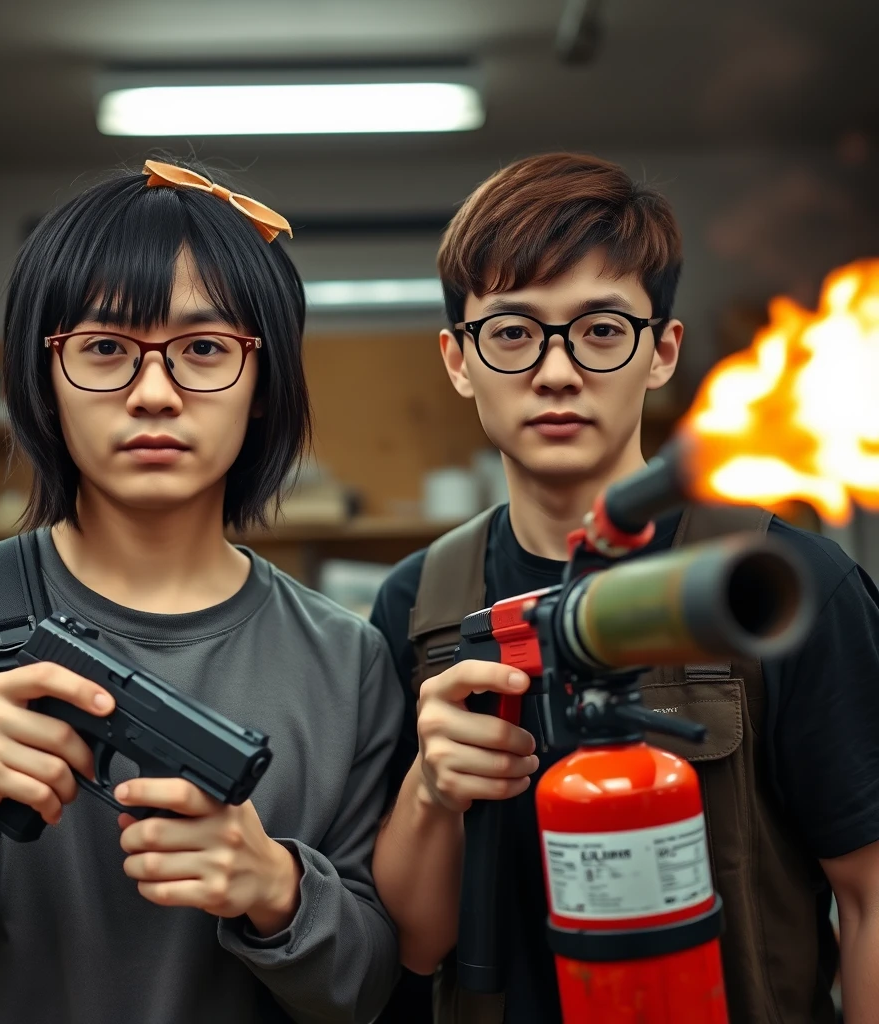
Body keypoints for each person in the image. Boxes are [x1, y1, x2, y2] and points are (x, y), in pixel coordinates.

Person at [0, 159, 403, 1023]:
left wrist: (279, 892)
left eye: (205, 350)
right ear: (44, 374)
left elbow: (375, 989)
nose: (155, 393)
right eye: (105, 349)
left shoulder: (349, 661)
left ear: (264, 386)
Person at [371, 152, 879, 1023]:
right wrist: (432, 788)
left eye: (602, 329)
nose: (557, 371)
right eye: (514, 331)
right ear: (459, 360)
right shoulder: (421, 607)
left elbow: (870, 894)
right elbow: (417, 945)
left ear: (661, 353)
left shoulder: (783, 584)